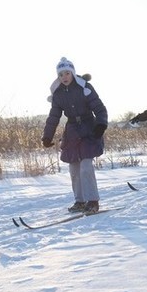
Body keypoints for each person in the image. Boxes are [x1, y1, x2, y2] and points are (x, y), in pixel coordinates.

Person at [41, 57, 108, 214]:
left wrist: (101, 125)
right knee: (74, 168)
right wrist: (47, 136)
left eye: (67, 73)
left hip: (88, 128)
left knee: (85, 166)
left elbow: (99, 108)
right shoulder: (57, 94)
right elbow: (54, 117)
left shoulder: (85, 88)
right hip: (71, 132)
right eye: (61, 74)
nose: (64, 77)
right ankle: (80, 201)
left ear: (72, 73)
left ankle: (92, 201)